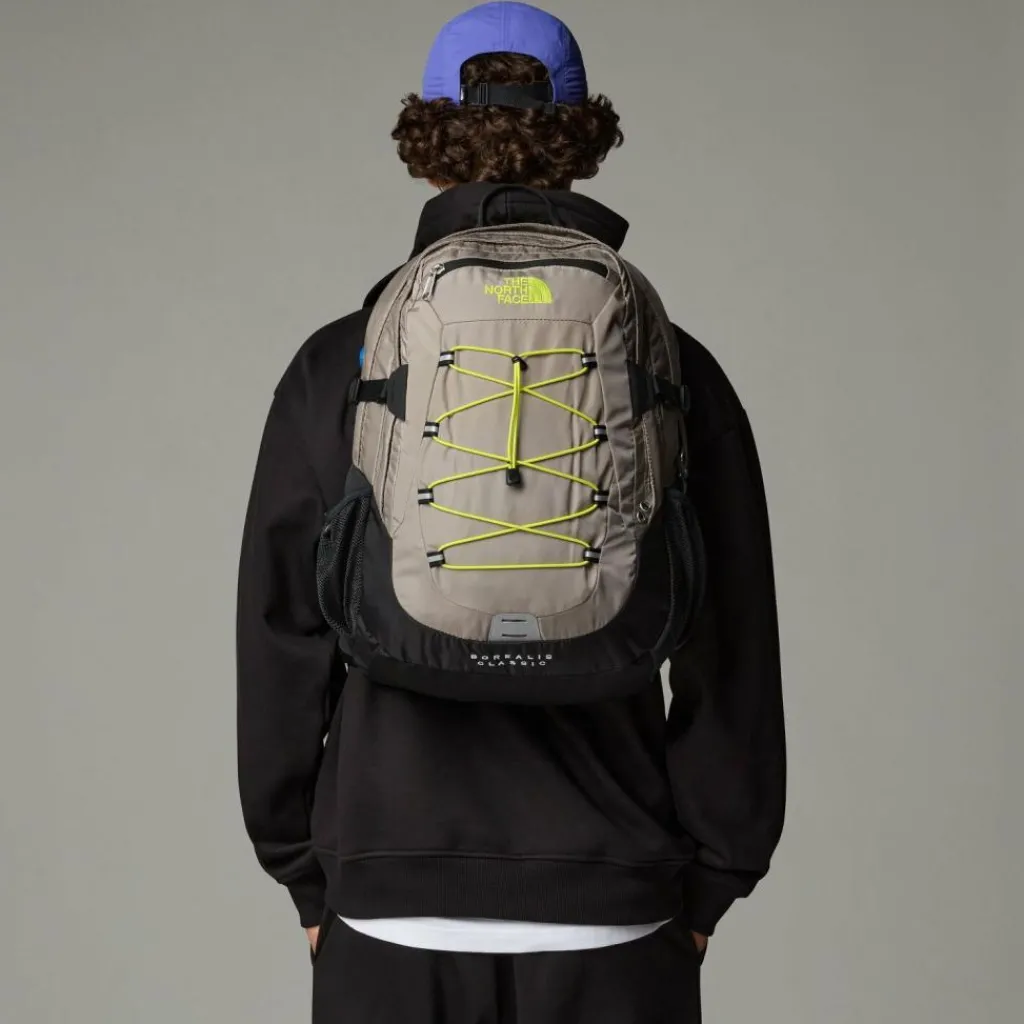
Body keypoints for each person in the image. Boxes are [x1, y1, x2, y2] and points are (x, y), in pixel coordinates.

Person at [236, 3, 786, 1021]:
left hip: (390, 902)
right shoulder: (674, 366)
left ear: (428, 144)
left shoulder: (339, 363)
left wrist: (304, 870)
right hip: (616, 904)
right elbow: (733, 636)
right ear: (581, 142)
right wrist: (714, 874)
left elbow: (282, 633)